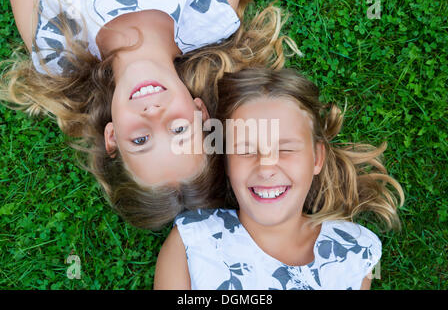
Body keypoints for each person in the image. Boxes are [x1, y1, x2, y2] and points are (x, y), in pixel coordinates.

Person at [1, 0, 300, 228]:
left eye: (141, 140)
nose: (154, 113)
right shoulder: (209, 10)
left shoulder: (57, 46)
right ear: (200, 113)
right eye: (179, 130)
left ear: (112, 137)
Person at [154, 68, 405, 290]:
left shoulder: (354, 250)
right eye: (245, 150)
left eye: (285, 149)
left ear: (317, 158)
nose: (266, 167)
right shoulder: (192, 242)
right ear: (227, 163)